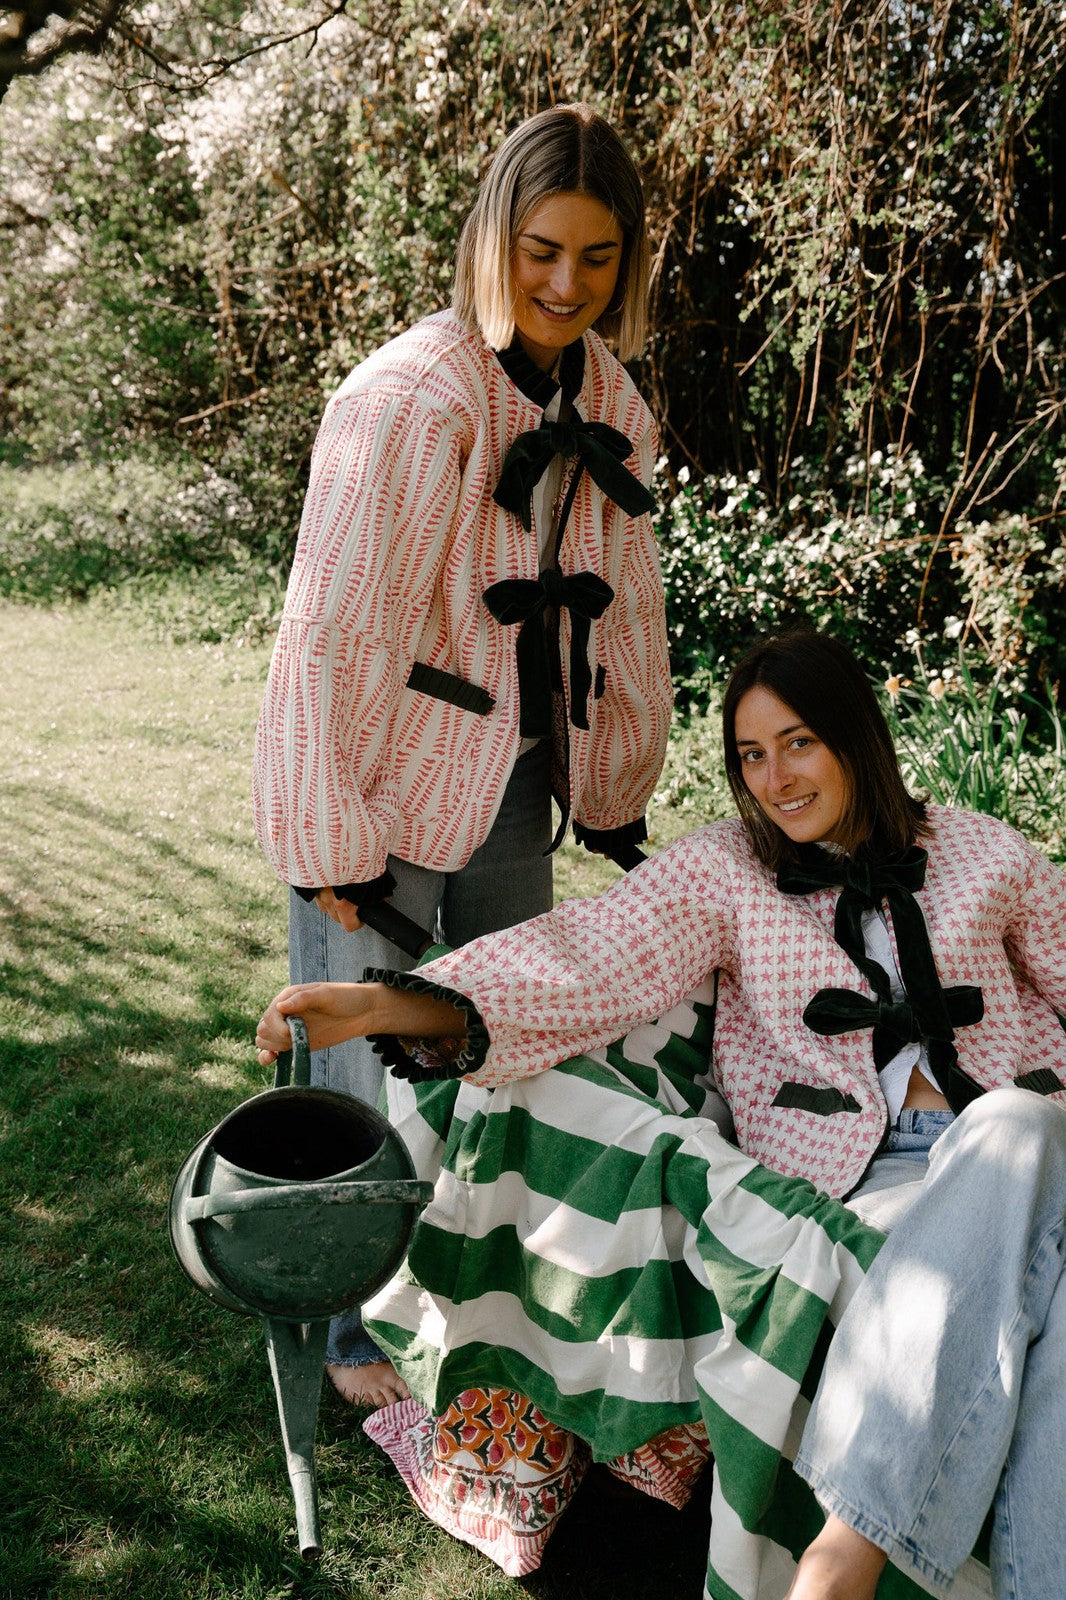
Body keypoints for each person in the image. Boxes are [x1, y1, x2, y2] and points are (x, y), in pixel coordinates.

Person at [256, 629, 1066, 1598]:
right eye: (750, 755)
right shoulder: (728, 871)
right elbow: (589, 953)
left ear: (857, 736)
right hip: (877, 1173)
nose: (775, 779)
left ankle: (847, 1553)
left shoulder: (985, 849)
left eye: (799, 742)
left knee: (1016, 1124)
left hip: (1038, 1155)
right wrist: (388, 1005)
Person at [252, 105, 672, 1406]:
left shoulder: (609, 398)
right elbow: (330, 626)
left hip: (513, 775)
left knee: (498, 1047)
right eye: (541, 251)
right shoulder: (407, 398)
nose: (565, 284)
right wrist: (328, 838)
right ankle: (345, 1332)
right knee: (354, 1070)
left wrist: (611, 776)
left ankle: (469, 1302)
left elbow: (625, 602)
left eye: (595, 257)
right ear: (493, 238)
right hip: (380, 780)